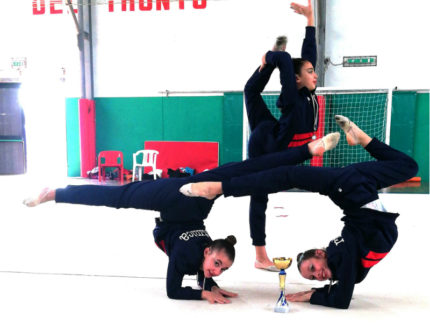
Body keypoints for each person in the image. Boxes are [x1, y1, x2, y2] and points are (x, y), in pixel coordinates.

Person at [23, 132, 340, 304]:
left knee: (244, 172)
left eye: (219, 268)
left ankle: (306, 151)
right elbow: (180, 288)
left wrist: (210, 283)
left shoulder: (193, 257)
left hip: (181, 206)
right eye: (218, 265)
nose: (216, 269)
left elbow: (190, 277)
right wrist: (206, 287)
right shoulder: (201, 251)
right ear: (208, 251)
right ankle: (55, 192)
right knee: (116, 197)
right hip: (183, 196)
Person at [181, 115, 419, 309]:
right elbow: (342, 293)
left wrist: (312, 295)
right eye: (314, 277)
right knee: (409, 167)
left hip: (348, 188)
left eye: (313, 269)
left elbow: (341, 300)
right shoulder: (347, 267)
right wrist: (323, 290)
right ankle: (361, 138)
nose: (319, 275)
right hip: (359, 189)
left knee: (288, 175)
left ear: (320, 252)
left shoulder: (342, 256)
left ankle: (219, 188)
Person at [244, 0, 319, 271]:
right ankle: (260, 256)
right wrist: (272, 57)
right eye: (310, 72)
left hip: (274, 132)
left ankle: (265, 65)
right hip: (268, 146)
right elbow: (288, 62)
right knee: (259, 196)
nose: (315, 75)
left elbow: (306, 55)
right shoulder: (292, 97)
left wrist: (310, 19)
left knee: (250, 92)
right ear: (296, 80)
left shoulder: (308, 92)